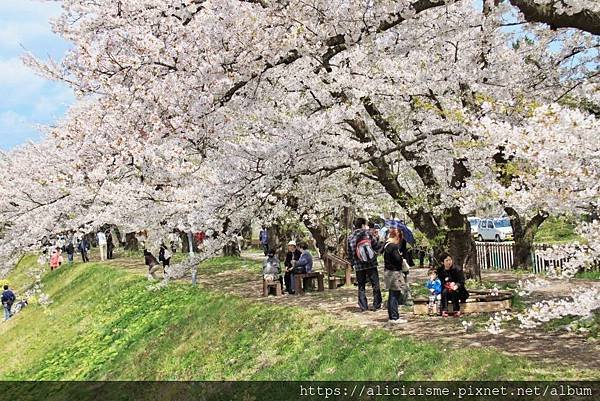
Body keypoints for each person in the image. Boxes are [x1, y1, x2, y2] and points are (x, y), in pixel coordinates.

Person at [348, 217, 382, 312]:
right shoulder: (367, 233)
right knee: (375, 284)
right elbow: (376, 246)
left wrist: (352, 263)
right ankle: (377, 304)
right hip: (371, 263)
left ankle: (363, 306)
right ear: (363, 225)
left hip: (359, 265)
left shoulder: (350, 237)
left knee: (361, 286)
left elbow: (350, 252)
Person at [383, 229, 409, 323]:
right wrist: (401, 257)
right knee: (395, 294)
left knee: (392, 294)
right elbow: (397, 259)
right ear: (397, 237)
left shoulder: (386, 245)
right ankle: (394, 317)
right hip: (394, 273)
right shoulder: (393, 246)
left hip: (388, 272)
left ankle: (392, 316)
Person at [436, 252, 469, 317]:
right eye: (447, 260)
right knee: (444, 291)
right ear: (442, 262)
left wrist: (456, 285)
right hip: (447, 290)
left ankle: (456, 310)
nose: (449, 262)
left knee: (454, 291)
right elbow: (442, 281)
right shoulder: (440, 270)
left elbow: (462, 281)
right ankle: (444, 310)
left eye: (450, 260)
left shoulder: (457, 269)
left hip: (459, 291)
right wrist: (447, 285)